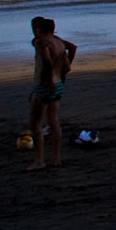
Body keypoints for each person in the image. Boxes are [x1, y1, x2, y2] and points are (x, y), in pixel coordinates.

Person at [26, 15, 76, 171]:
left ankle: (39, 161)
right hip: (58, 84)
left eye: (36, 28)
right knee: (53, 121)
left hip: (44, 86)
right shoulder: (59, 42)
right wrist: (61, 70)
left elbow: (46, 60)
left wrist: (47, 80)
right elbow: (72, 51)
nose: (35, 31)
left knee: (35, 124)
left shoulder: (41, 42)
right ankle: (56, 158)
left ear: (42, 29)